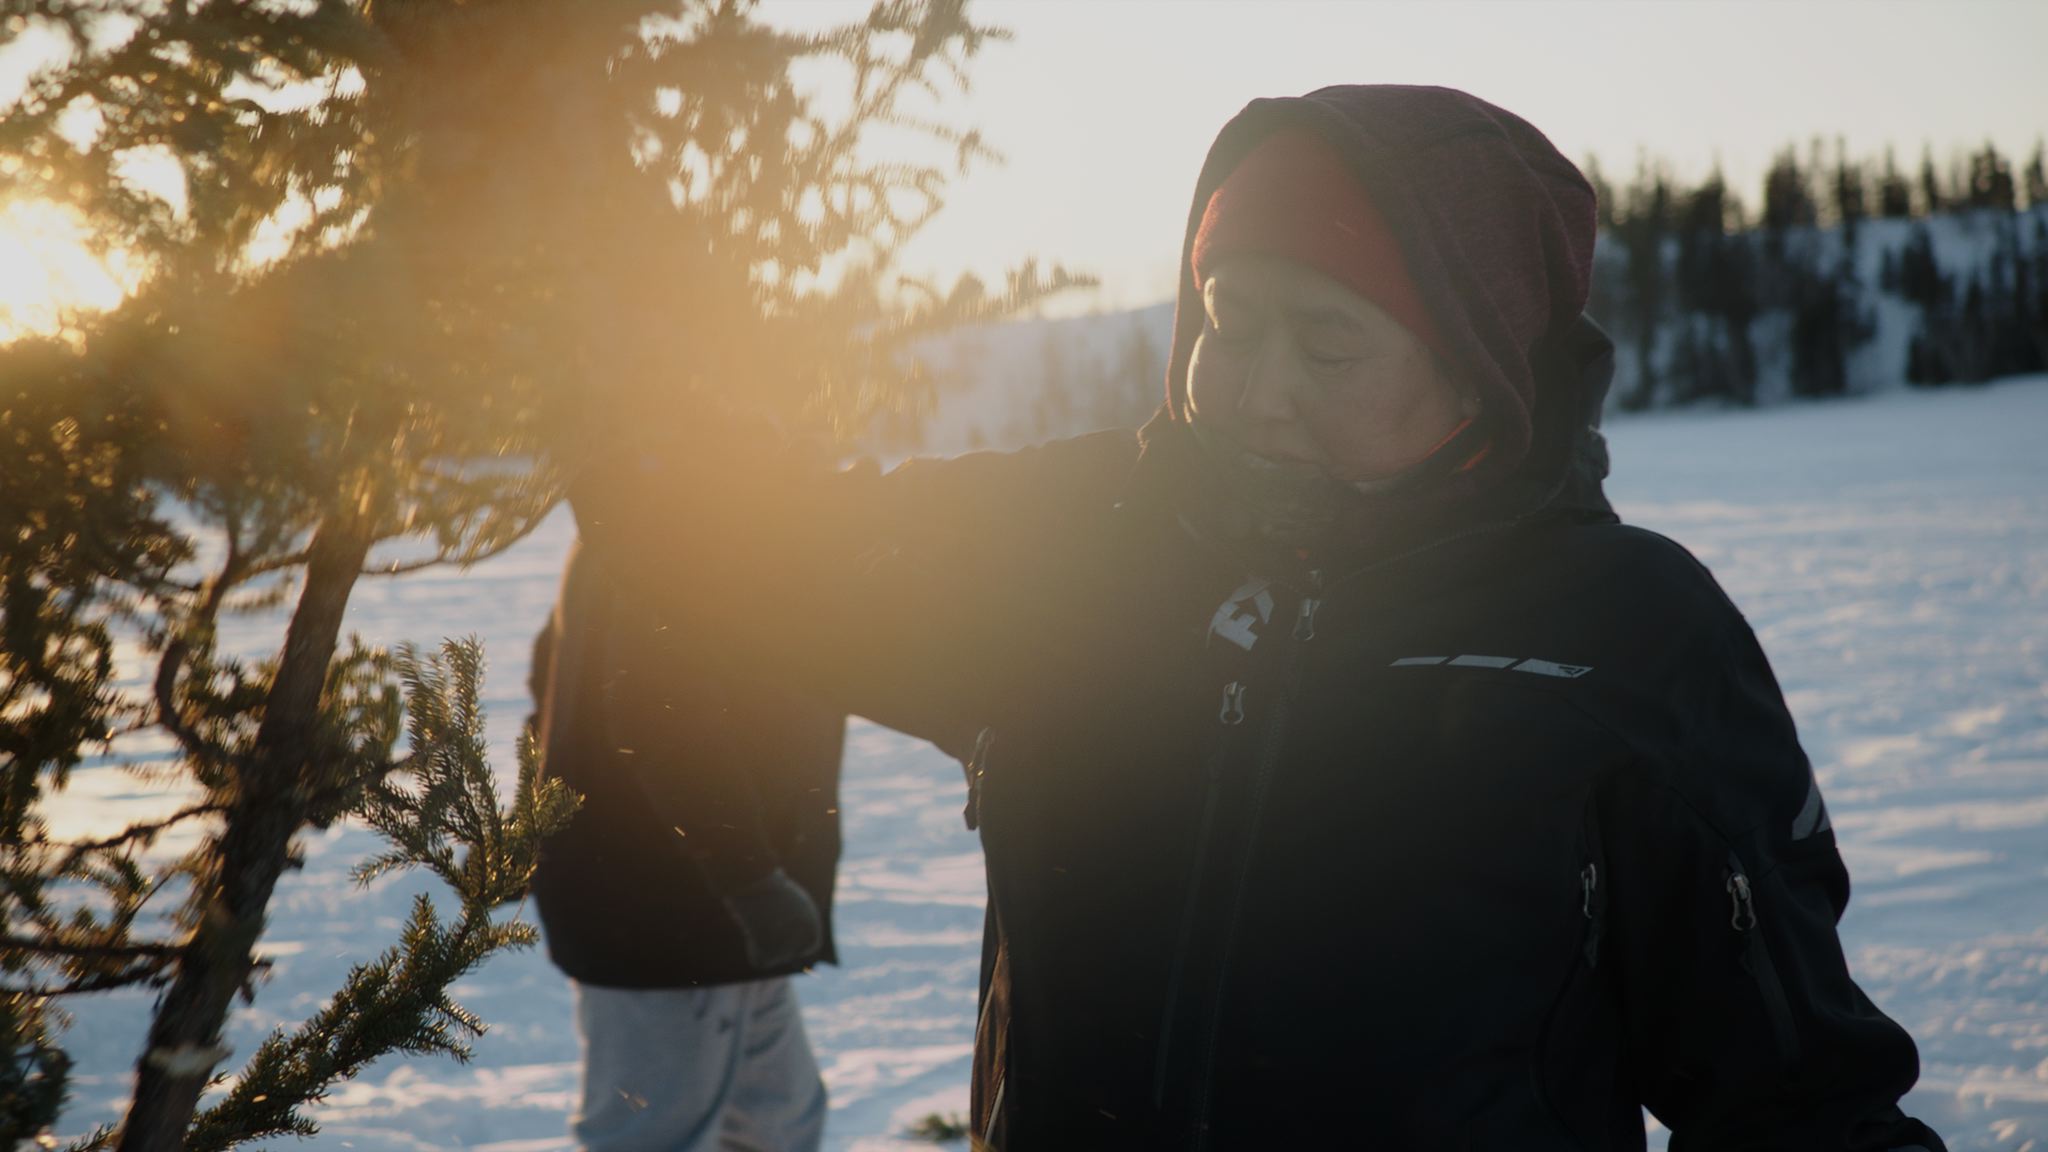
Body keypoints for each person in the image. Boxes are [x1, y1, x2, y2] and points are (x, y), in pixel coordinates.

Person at [565, 85, 1945, 1150]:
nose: (1253, 386)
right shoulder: (1080, 547)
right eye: (1228, 320)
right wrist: (532, 241)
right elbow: (741, 541)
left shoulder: (1627, 637)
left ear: (1485, 367)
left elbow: (1796, 1101)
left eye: (1330, 343)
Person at [528, 539, 846, 1152]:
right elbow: (657, 716)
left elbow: (557, 674)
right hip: (667, 919)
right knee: (655, 1136)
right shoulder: (676, 520)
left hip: (731, 912)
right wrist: (750, 879)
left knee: (776, 1124)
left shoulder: (641, 513)